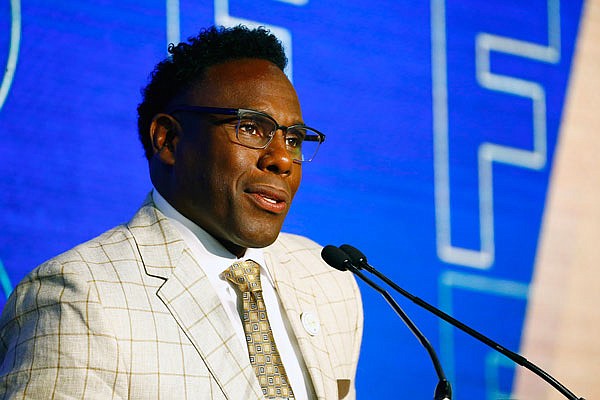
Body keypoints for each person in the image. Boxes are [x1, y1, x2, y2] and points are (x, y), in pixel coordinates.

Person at [0, 25, 362, 399]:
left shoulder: (326, 280)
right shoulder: (78, 298)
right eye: (252, 128)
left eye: (293, 139)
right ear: (169, 141)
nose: (282, 159)